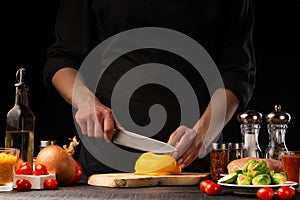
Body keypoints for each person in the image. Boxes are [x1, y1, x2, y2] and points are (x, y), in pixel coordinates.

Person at [43, 0, 256, 179]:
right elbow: (62, 59)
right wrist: (86, 102)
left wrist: (203, 133)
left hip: (193, 164)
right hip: (107, 162)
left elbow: (237, 72)